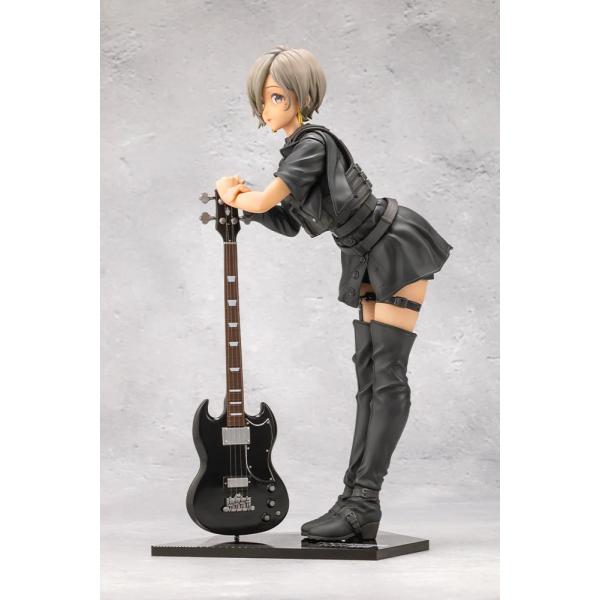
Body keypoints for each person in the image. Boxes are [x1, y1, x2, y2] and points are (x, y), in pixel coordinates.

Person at [215, 45, 452, 542]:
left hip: (393, 245)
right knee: (369, 375)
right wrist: (246, 205)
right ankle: (353, 501)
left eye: (275, 97)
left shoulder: (311, 143)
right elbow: (288, 221)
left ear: (300, 96)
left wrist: (232, 193)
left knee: (387, 376)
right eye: (262, 99)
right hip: (364, 254)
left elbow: (265, 200)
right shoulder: (296, 151)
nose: (266, 108)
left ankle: (365, 500)